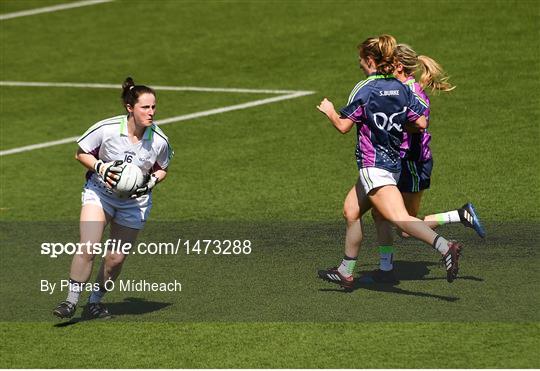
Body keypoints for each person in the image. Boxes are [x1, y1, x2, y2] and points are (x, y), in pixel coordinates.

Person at [316, 35, 462, 289]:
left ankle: (445, 246)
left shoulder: (365, 88)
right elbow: (420, 122)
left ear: (370, 60)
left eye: (361, 60)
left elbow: (342, 126)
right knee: (351, 210)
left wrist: (329, 110)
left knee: (399, 218)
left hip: (374, 165)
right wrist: (391, 125)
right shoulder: (401, 88)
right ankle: (346, 272)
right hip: (392, 164)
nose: (360, 64)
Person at [52, 77, 173, 319]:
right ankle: (70, 301)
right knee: (89, 247)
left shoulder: (159, 140)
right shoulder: (106, 129)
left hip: (134, 203)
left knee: (115, 259)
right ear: (130, 108)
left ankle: (95, 302)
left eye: (153, 107)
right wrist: (101, 168)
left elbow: (162, 168)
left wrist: (151, 181)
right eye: (145, 107)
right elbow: (81, 153)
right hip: (100, 193)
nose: (151, 113)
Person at [365, 43, 485, 283]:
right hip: (395, 163)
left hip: (413, 164)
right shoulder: (396, 88)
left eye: (387, 63)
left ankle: (459, 215)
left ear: (397, 66)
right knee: (379, 215)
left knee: (404, 226)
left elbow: (421, 123)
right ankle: (385, 270)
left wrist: (391, 123)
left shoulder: (413, 91)